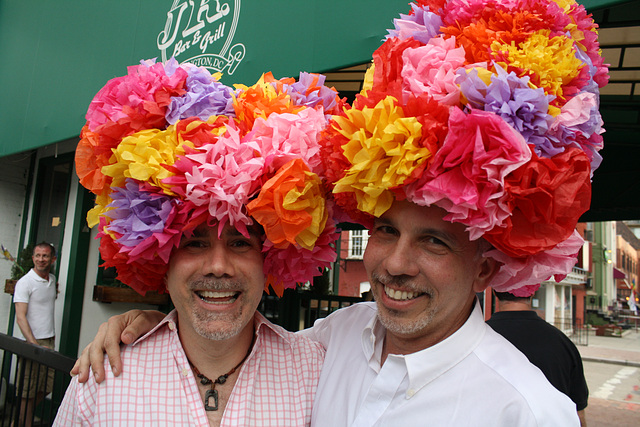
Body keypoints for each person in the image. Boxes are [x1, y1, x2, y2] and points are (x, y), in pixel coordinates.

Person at [72, 0, 608, 426]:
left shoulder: (526, 411)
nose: (396, 264)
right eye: (385, 230)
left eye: (435, 241)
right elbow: (235, 338)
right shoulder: (335, 342)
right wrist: (145, 322)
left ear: (487, 268)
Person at [54, 59, 347, 426]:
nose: (218, 266)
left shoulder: (318, 374)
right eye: (194, 242)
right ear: (160, 260)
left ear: (270, 256)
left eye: (240, 242)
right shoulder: (102, 380)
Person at [487, 290, 589, 426]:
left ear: (494, 292)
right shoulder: (563, 343)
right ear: (533, 291)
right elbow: (577, 414)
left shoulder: (476, 339)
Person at [13, 242, 57, 427]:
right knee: (27, 390)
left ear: (52, 259)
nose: (41, 259)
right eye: (37, 255)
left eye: (45, 256)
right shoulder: (25, 282)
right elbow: (20, 317)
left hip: (49, 340)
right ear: (32, 258)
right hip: (31, 341)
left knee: (46, 387)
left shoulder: (52, 280)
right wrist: (32, 343)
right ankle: (25, 423)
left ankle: (19, 420)